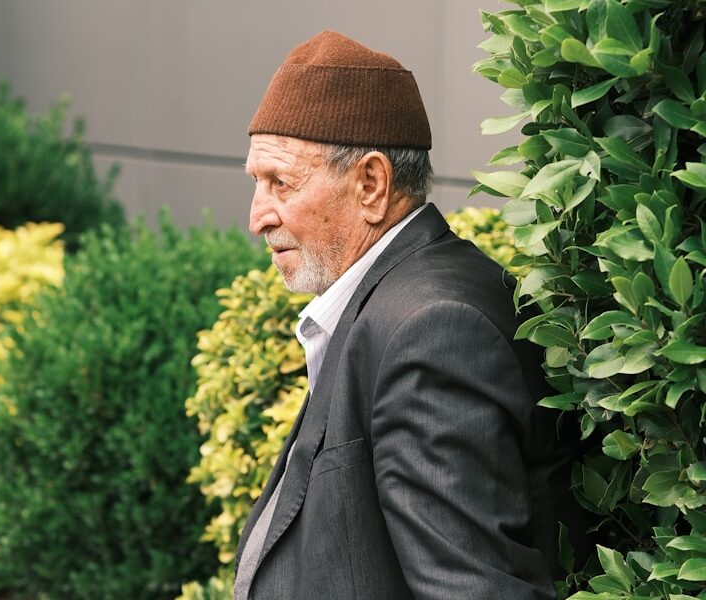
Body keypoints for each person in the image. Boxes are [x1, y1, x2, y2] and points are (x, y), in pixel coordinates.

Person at [235, 30, 583, 600]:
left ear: (371, 184)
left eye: (281, 183)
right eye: (256, 183)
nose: (258, 217)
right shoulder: (406, 300)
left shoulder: (434, 329)